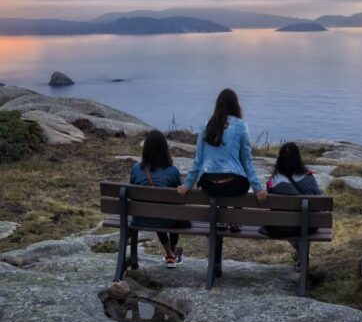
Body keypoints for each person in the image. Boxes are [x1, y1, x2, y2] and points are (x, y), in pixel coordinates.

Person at [178, 88, 266, 276]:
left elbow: (198, 160)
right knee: (242, 183)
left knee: (218, 195)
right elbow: (247, 161)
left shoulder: (206, 126)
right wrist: (258, 188)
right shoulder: (241, 126)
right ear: (236, 105)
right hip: (233, 185)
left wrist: (187, 185)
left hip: (209, 185)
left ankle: (223, 224)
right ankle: (233, 220)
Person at [130, 130, 189, 269]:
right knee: (172, 211)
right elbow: (180, 199)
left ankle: (169, 253)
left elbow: (131, 191)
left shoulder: (136, 169)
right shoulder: (172, 170)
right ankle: (172, 252)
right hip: (165, 218)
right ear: (165, 149)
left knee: (156, 210)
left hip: (141, 218)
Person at [261, 142, 321, 260]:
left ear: (280, 159)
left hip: (280, 227)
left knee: (287, 223)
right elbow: (318, 202)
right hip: (308, 226)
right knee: (305, 220)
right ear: (298, 158)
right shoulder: (308, 177)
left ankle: (301, 254)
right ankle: (303, 256)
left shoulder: (274, 181)